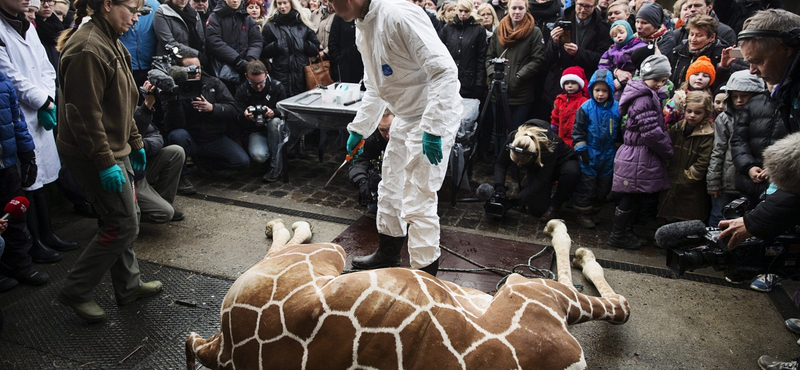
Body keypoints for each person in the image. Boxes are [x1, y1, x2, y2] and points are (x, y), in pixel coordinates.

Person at [333, 0, 463, 277]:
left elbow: (444, 71)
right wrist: (360, 128)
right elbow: (376, 84)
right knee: (390, 187)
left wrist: (434, 128)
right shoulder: (363, 25)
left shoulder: (398, 16)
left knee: (419, 198)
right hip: (406, 114)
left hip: (431, 114)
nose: (331, 6)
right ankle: (388, 254)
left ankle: (424, 274)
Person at [56, 0, 163, 323]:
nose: (135, 17)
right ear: (106, 5)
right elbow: (84, 116)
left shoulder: (108, 40)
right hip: (94, 153)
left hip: (115, 148)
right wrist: (104, 162)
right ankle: (76, 289)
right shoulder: (87, 48)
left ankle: (128, 285)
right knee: (121, 222)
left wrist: (134, 140)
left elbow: (122, 100)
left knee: (125, 217)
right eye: (131, 9)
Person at [0, 0, 79, 262]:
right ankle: (34, 242)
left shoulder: (28, 26)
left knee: (43, 177)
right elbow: (9, 76)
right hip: (19, 114)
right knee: (28, 180)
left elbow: (46, 66)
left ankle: (47, 233)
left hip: (41, 111)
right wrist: (41, 100)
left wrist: (48, 97)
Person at [610, 54, 673, 249]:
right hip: (638, 154)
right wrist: (667, 150)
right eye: (656, 80)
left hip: (638, 152)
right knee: (630, 195)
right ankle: (619, 234)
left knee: (635, 194)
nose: (660, 85)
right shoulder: (643, 98)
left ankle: (625, 231)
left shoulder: (645, 95)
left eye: (664, 81)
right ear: (646, 77)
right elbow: (651, 132)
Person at [163, 52, 248, 179]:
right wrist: (175, 100)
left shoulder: (213, 83)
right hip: (189, 137)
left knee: (242, 162)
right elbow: (174, 124)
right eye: (191, 68)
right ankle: (182, 177)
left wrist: (212, 108)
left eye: (199, 67)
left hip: (213, 137)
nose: (196, 71)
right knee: (178, 135)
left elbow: (233, 108)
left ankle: (205, 163)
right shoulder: (174, 88)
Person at [0, 69, 48, 293]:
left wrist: (27, 154)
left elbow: (17, 120)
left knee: (15, 215)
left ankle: (20, 264)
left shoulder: (3, 82)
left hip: (7, 163)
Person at [483, 0, 544, 156]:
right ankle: (498, 160)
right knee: (498, 129)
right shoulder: (499, 30)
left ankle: (513, 162)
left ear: (526, 9)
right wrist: (492, 74)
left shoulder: (534, 32)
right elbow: (490, 56)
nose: (517, 12)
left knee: (515, 130)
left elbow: (537, 59)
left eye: (520, 8)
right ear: (507, 9)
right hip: (498, 91)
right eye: (514, 8)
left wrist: (518, 77)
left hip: (521, 93)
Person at [493, 120, 580, 221]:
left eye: (521, 163)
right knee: (537, 210)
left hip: (561, 164)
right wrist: (499, 186)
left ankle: (555, 206)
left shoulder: (548, 145)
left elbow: (542, 179)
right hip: (538, 167)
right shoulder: (513, 138)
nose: (519, 165)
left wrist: (516, 200)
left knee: (572, 172)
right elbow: (501, 163)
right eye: (516, 162)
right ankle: (528, 183)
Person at [541, 0, 613, 112]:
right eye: (580, 5)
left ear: (595, 6)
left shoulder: (602, 27)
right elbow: (547, 59)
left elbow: (602, 59)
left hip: (585, 87)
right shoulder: (561, 22)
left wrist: (579, 53)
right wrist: (554, 44)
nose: (583, 10)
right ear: (575, 4)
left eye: (588, 6)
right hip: (559, 85)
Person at [572, 69, 621, 229]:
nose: (600, 94)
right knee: (587, 185)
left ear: (610, 91)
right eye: (597, 90)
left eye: (604, 90)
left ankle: (595, 211)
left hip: (608, 152)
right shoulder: (586, 108)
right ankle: (583, 213)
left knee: (603, 186)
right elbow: (578, 131)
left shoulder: (617, 108)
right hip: (590, 152)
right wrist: (581, 149)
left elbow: (620, 131)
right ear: (591, 90)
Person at [658, 90, 714, 222]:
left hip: (691, 183)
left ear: (706, 113)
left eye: (698, 112)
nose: (692, 115)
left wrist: (687, 177)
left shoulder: (707, 134)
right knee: (668, 209)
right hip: (672, 175)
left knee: (688, 212)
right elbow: (667, 148)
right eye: (689, 111)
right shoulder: (677, 128)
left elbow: (703, 161)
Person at [135, 81, 187, 223]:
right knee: (164, 214)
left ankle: (162, 201)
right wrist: (146, 106)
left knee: (175, 152)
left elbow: (156, 136)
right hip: (125, 176)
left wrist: (144, 145)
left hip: (139, 169)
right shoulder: (107, 114)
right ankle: (126, 217)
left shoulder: (130, 108)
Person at [233, 60, 287, 183]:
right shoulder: (242, 90)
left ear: (266, 74)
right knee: (259, 156)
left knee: (275, 122)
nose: (258, 86)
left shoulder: (277, 87)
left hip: (275, 129)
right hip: (255, 131)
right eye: (253, 83)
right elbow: (235, 116)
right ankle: (268, 156)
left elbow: (286, 112)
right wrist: (244, 115)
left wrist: (274, 113)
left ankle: (276, 166)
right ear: (246, 77)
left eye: (261, 83)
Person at [261, 0, 320, 98]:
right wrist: (277, 45)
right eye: (279, 4)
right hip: (280, 74)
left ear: (291, 4)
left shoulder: (302, 23)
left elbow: (316, 49)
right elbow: (263, 52)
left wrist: (303, 44)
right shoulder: (270, 26)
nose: (282, 6)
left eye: (285, 3)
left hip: (302, 75)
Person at [206, 0, 263, 94]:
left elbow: (256, 41)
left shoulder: (247, 18)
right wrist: (236, 60)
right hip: (223, 71)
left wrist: (250, 60)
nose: (235, 1)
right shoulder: (215, 17)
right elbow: (214, 42)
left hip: (246, 70)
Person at [440, 0, 487, 103]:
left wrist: (479, 83)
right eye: (460, 11)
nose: (463, 14)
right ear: (456, 10)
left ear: (471, 11)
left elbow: (481, 57)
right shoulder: (448, 28)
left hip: (469, 81)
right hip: (450, 79)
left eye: (466, 11)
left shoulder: (478, 30)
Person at [348, 109, 393, 213]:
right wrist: (361, 181)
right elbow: (359, 161)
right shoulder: (370, 138)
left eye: (391, 128)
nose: (388, 135)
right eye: (383, 130)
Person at [667, 15, 725, 90]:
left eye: (699, 36)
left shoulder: (720, 56)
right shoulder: (677, 52)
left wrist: (723, 68)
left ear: (712, 37)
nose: (693, 39)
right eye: (691, 34)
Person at [663, 55, 716, 127]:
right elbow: (665, 122)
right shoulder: (677, 99)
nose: (700, 78)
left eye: (705, 76)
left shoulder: (710, 100)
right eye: (696, 74)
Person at [597, 19, 645, 95]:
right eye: (615, 35)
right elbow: (602, 65)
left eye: (622, 33)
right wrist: (615, 71)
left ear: (629, 31)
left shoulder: (639, 47)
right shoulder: (611, 51)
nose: (619, 36)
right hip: (618, 83)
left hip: (636, 80)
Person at [153, 0, 206, 65]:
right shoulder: (162, 12)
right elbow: (168, 42)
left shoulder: (194, 14)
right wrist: (197, 54)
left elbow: (201, 39)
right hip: (171, 61)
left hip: (194, 61)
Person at [550, 66, 589, 147]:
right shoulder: (559, 100)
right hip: (561, 140)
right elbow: (555, 118)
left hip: (577, 141)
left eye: (573, 83)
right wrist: (553, 132)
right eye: (567, 83)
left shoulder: (584, 102)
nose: (570, 86)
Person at [671, 0, 736, 47]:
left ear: (710, 7)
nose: (692, 9)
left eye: (697, 6)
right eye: (689, 7)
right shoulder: (677, 34)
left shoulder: (726, 32)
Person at [328, 13, 363, 83]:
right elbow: (332, 43)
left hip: (362, 64)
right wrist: (339, 60)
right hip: (344, 66)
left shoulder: (363, 16)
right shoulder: (340, 17)